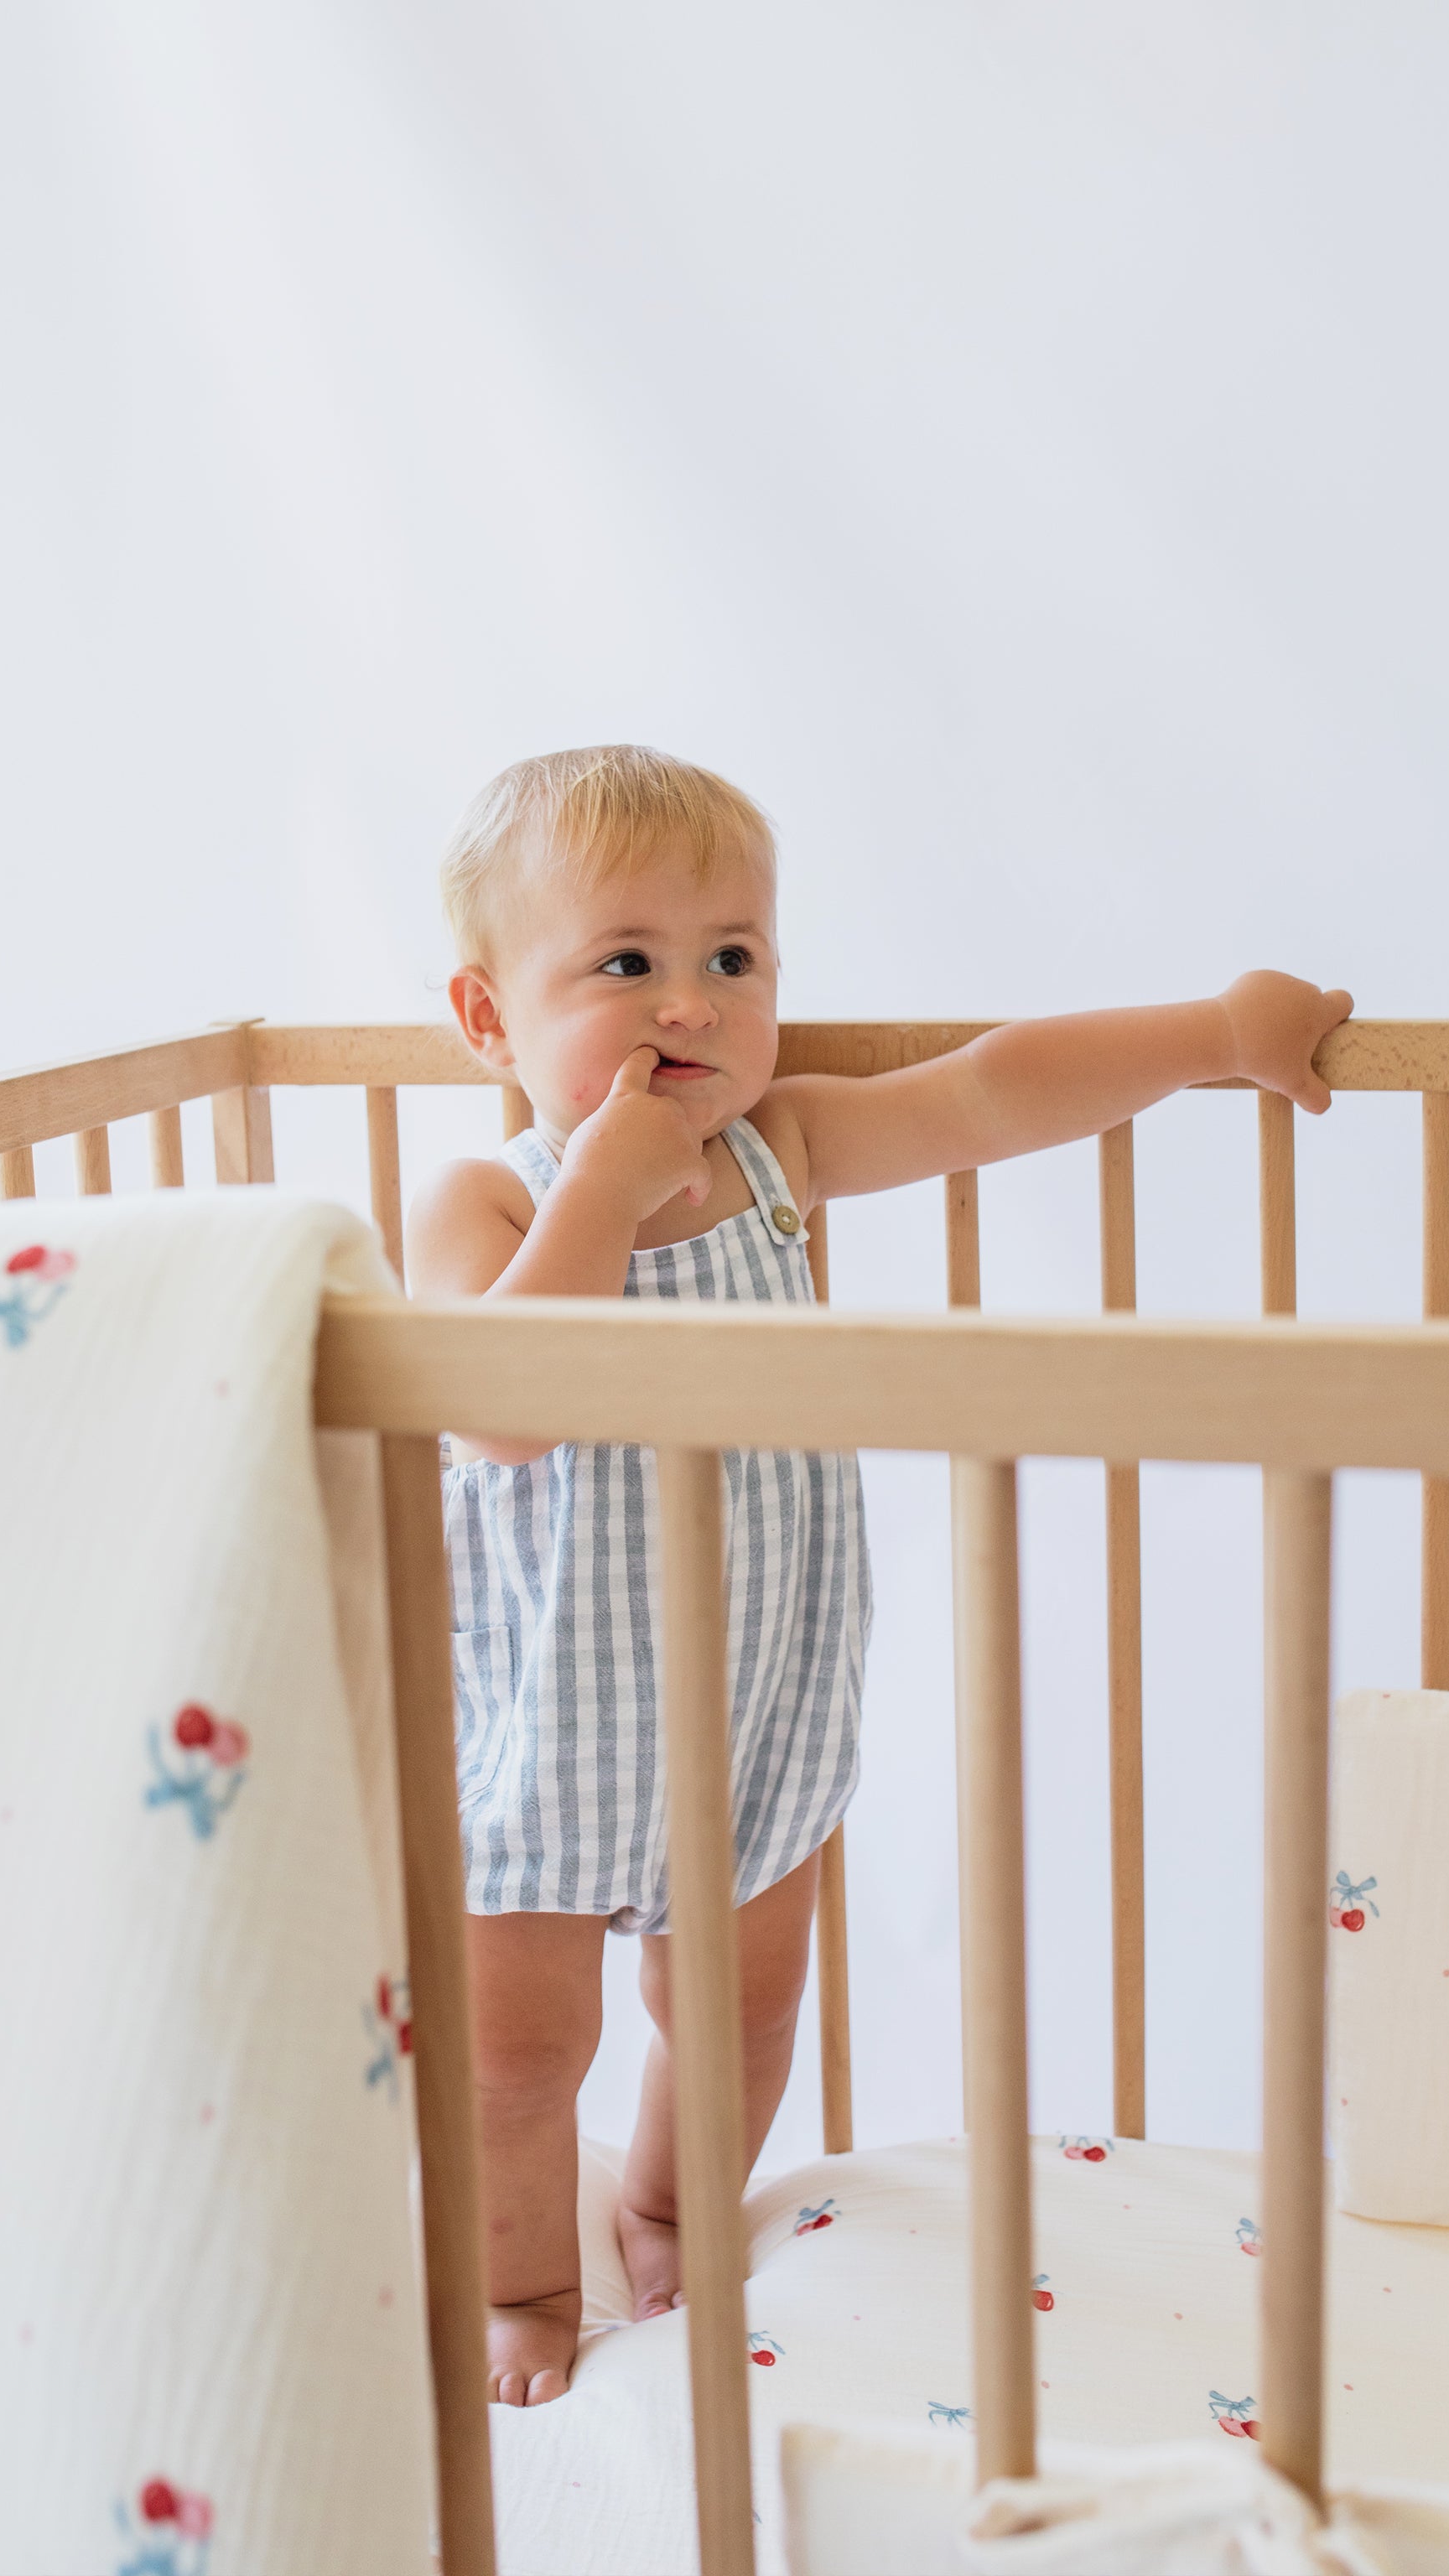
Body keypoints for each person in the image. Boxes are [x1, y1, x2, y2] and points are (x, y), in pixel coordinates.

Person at [407, 743, 1352, 2407]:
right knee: (514, 2058)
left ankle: (671, 2209)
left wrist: (1212, 1034)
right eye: (624, 963)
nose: (687, 1004)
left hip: (754, 1706)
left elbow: (990, 1092)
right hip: (545, 1732)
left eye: (733, 957)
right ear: (490, 1020)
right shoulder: (488, 1199)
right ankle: (525, 2287)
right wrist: (608, 1191)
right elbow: (499, 1413)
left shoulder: (779, 1152)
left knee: (742, 2016)